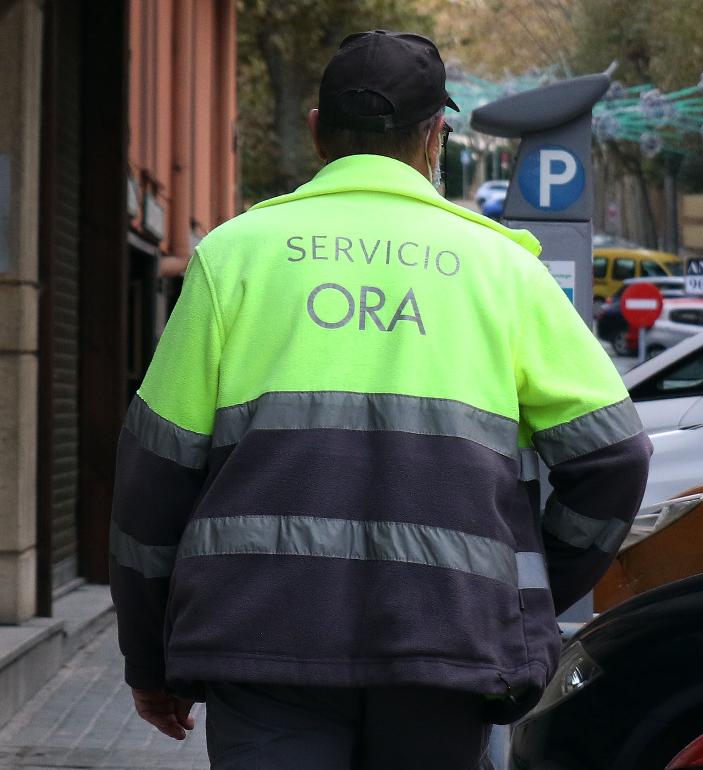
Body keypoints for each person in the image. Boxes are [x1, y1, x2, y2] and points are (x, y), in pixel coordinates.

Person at [109, 30, 651, 769]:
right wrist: (516, 592)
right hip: (447, 645)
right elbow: (614, 456)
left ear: (315, 128)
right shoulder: (503, 269)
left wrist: (148, 658)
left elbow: (152, 480)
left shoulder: (233, 256)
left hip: (262, 643)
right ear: (436, 137)